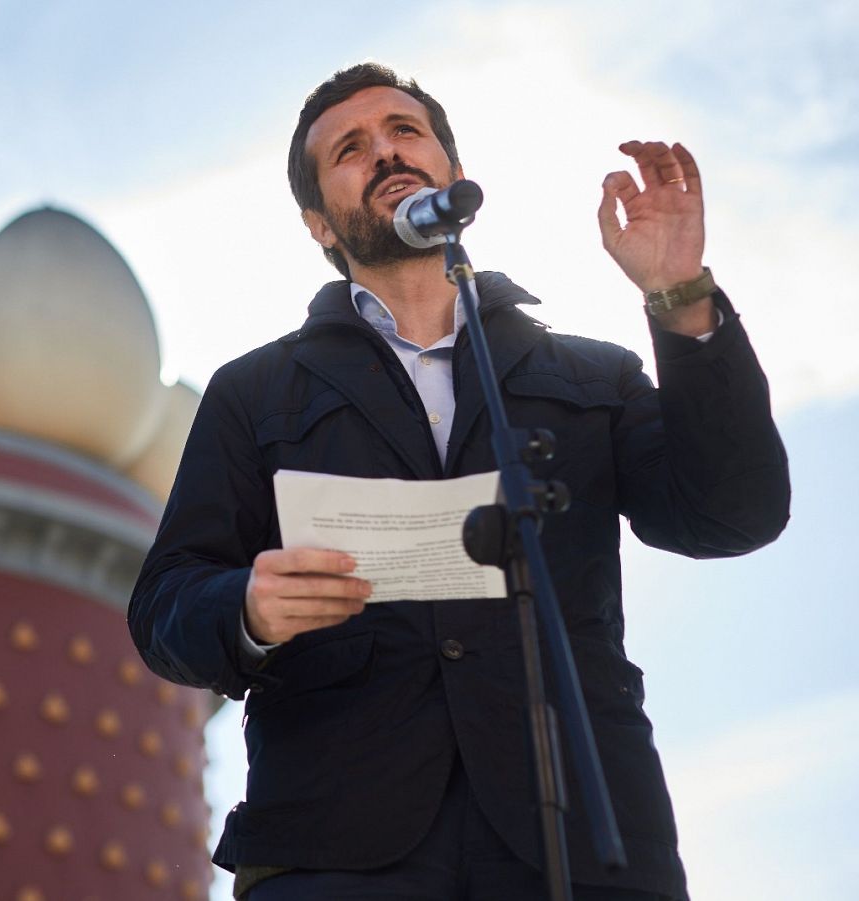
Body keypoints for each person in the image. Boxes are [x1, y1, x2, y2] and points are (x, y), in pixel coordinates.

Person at [127, 63, 790, 901]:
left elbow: (732, 514)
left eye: (406, 131)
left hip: (584, 845)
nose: (387, 152)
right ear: (318, 225)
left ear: (454, 170)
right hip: (336, 854)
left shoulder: (592, 373)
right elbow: (162, 610)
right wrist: (248, 608)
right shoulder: (254, 392)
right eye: (351, 148)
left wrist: (680, 297)